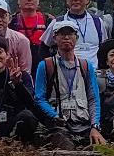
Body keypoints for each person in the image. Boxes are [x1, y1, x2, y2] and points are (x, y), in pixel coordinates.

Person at [33, 19, 102, 148]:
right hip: (57, 126)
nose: (66, 37)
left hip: (84, 123)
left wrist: (95, 126)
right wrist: (54, 116)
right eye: (61, 34)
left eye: (70, 34)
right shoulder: (46, 65)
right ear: (54, 38)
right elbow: (39, 98)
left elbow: (93, 98)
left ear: (76, 37)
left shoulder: (86, 66)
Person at [51, 0, 108, 65]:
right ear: (67, 0)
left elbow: (104, 47)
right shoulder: (57, 22)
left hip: (94, 73)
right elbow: (44, 47)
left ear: (88, 0)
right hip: (66, 73)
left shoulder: (97, 22)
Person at [12, 0, 51, 66]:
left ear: (38, 0)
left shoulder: (48, 20)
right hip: (19, 69)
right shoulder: (11, 21)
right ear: (19, 0)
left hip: (43, 69)